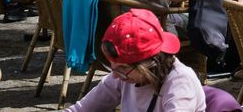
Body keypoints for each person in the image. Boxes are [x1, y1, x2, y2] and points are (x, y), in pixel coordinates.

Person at [63, 8, 206, 111]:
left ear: (150, 63)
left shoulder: (179, 83)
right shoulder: (121, 76)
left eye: (123, 68)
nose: (114, 74)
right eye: (112, 66)